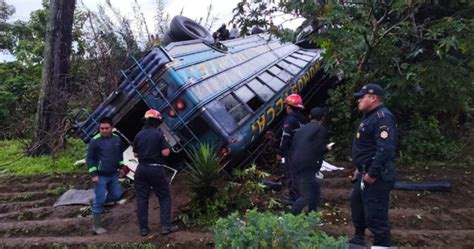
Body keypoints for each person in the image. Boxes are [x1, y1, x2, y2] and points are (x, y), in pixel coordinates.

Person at [350, 83, 397, 247]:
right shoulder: (369, 117)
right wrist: (359, 168)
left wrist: (372, 173)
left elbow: (385, 149)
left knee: (376, 214)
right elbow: (367, 147)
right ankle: (358, 239)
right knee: (357, 204)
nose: (359, 101)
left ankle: (381, 245)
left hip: (377, 175)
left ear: (373, 98)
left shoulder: (382, 117)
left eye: (361, 97)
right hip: (364, 172)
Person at [133, 109, 178, 236]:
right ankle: (165, 227)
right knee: (164, 197)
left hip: (141, 169)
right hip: (156, 169)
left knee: (142, 198)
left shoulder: (139, 135)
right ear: (157, 122)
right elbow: (166, 152)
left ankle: (143, 229)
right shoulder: (159, 134)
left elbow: (136, 153)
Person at [87, 117, 126, 235]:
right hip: (100, 175)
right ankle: (97, 226)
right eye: (101, 128)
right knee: (100, 199)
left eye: (106, 128)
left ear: (112, 128)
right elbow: (90, 158)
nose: (104, 130)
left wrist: (122, 167)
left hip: (114, 174)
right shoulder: (95, 141)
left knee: (116, 195)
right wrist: (94, 174)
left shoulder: (117, 139)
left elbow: (119, 155)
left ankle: (97, 204)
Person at [290, 107, 332, 215]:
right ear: (322, 118)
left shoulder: (300, 130)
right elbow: (317, 148)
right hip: (308, 165)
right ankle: (289, 218)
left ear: (310, 117)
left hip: (296, 163)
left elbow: (295, 146)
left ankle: (312, 216)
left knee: (315, 189)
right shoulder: (320, 129)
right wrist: (326, 148)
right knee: (306, 196)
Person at [277, 94, 308, 203]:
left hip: (292, 151)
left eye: (287, 106)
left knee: (291, 173)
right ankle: (298, 195)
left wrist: (280, 152)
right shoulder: (303, 119)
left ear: (289, 107)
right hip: (302, 150)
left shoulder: (289, 120)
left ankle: (293, 197)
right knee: (298, 174)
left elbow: (285, 137)